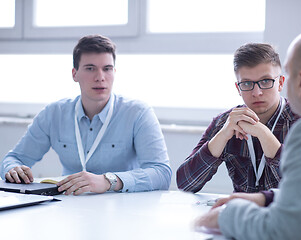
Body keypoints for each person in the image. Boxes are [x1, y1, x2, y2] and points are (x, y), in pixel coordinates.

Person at [195, 27, 301, 239]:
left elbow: (283, 232)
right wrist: (266, 198)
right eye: (247, 84)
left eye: (286, 76)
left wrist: (226, 216)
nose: (257, 92)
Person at [0, 35, 172, 195]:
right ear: (75, 74)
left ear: (114, 72)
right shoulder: (54, 113)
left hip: (122, 208)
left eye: (107, 69)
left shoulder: (138, 113)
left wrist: (109, 181)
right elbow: (14, 158)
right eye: (90, 68)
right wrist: (12, 169)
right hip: (68, 205)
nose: (100, 77)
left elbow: (162, 173)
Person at [177, 43, 300, 193]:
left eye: (266, 81)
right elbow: (185, 184)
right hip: (242, 214)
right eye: (247, 83)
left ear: (280, 83)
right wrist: (221, 136)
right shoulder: (225, 122)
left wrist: (265, 135)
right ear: (238, 88)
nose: (257, 92)